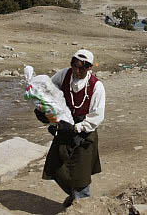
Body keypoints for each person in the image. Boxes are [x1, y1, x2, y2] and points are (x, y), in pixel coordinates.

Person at [35, 49, 105, 207]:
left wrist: (75, 128)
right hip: (65, 125)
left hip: (84, 132)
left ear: (89, 68)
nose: (77, 71)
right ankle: (75, 197)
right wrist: (43, 109)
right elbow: (49, 91)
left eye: (82, 68)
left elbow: (97, 116)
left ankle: (82, 204)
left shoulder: (96, 86)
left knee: (80, 174)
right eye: (74, 66)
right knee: (55, 166)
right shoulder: (64, 75)